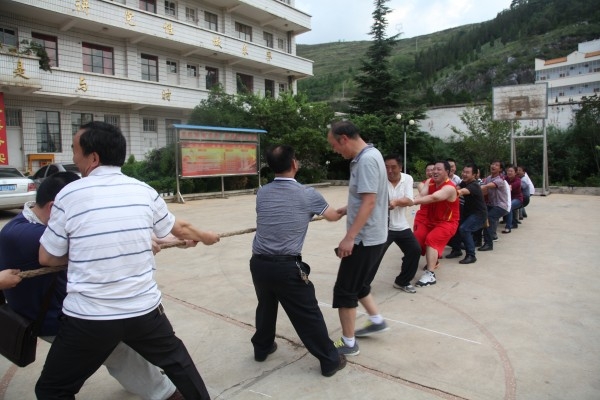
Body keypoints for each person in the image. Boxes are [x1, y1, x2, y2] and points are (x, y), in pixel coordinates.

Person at [35, 121, 220, 399]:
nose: (74, 157)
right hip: (144, 313)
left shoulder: (69, 194)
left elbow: (47, 257)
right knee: (180, 366)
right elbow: (178, 229)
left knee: (51, 389)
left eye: (75, 150)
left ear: (93, 157)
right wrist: (206, 236)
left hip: (90, 318)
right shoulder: (144, 191)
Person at [0, 172, 183, 400]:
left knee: (124, 342)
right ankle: (167, 394)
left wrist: (171, 239)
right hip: (56, 319)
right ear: (55, 207)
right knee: (117, 351)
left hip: (73, 305)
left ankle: (151, 383)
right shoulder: (24, 234)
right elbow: (100, 240)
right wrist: (153, 240)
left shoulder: (34, 222)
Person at [250, 145, 346, 377]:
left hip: (259, 263)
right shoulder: (307, 194)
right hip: (286, 267)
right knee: (308, 313)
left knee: (266, 305)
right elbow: (333, 216)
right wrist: (351, 206)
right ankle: (330, 360)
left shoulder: (262, 192)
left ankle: (262, 348)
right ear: (294, 163)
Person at [326, 120, 389, 356]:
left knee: (345, 290)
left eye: (334, 145)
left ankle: (348, 343)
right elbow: (367, 198)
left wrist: (349, 237)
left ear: (344, 139)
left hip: (364, 238)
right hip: (374, 235)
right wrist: (347, 209)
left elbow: (370, 202)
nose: (335, 150)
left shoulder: (366, 161)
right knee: (360, 284)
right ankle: (376, 320)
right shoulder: (371, 154)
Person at [367, 154, 421, 294]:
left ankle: (402, 281)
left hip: (401, 226)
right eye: (386, 167)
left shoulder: (407, 179)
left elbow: (409, 200)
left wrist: (395, 202)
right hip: (383, 227)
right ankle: (362, 287)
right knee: (374, 257)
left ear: (400, 167)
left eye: (393, 167)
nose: (389, 170)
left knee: (415, 250)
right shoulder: (379, 180)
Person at [411, 160, 460, 287]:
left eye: (439, 169)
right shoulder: (430, 181)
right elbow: (422, 194)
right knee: (416, 238)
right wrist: (411, 200)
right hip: (430, 220)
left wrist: (412, 202)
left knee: (431, 239)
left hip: (447, 222)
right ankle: (417, 263)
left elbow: (435, 197)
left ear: (447, 172)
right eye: (434, 169)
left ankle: (430, 274)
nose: (434, 172)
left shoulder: (450, 187)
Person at [455, 163, 487, 264]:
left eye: (467, 172)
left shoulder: (474, 185)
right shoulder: (464, 182)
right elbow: (456, 188)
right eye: (463, 172)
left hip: (479, 214)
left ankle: (471, 255)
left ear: (474, 175)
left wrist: (443, 193)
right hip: (469, 213)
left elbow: (461, 192)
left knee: (464, 229)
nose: (464, 174)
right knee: (456, 227)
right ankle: (456, 249)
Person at [479, 160, 510, 251]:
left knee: (489, 218)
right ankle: (477, 241)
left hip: (501, 206)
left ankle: (489, 244)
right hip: (491, 205)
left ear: (500, 169)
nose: (493, 166)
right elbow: (484, 191)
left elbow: (486, 186)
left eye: (496, 165)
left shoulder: (500, 179)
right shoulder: (488, 178)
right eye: (492, 164)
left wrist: (475, 189)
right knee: (480, 216)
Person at [502, 164, 523, 233]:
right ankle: (514, 223)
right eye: (508, 171)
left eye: (511, 171)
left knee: (509, 206)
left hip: (518, 199)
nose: (509, 172)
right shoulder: (505, 178)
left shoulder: (518, 180)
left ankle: (508, 227)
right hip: (508, 199)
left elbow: (509, 187)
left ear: (515, 173)